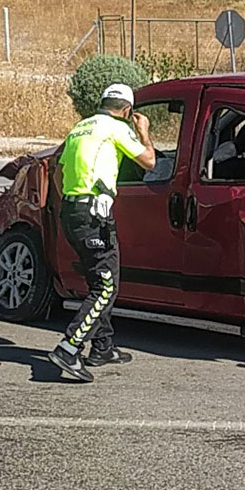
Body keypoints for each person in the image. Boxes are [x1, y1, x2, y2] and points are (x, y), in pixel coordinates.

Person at [47, 84, 155, 382]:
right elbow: (149, 161)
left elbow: (56, 171)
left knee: (99, 278)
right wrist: (144, 132)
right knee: (105, 287)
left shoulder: (80, 128)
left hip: (72, 212)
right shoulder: (116, 127)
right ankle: (69, 348)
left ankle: (103, 347)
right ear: (127, 110)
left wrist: (73, 200)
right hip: (94, 217)